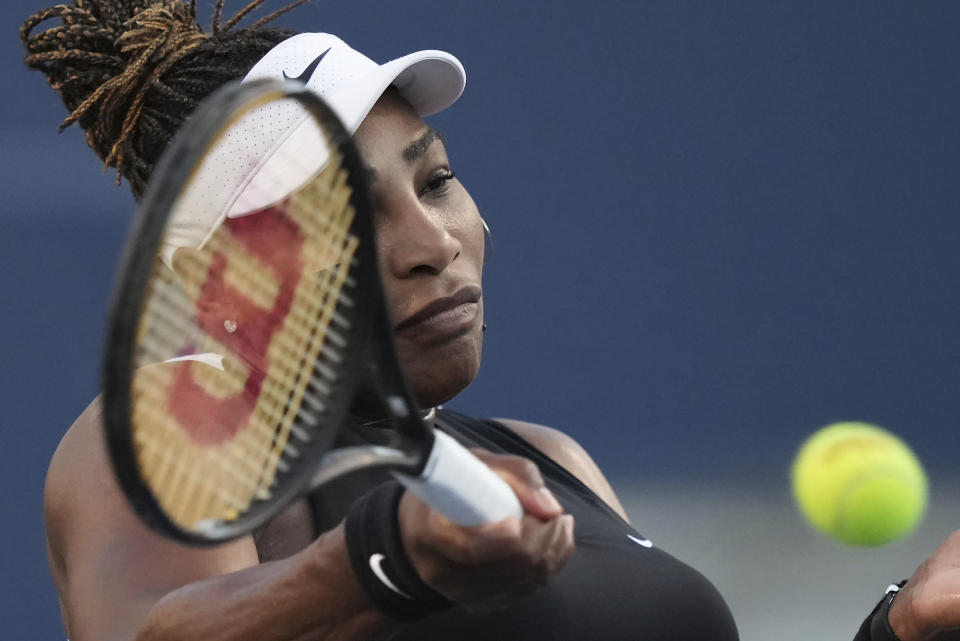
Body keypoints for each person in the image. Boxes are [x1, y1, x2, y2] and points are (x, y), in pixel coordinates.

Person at [20, 2, 960, 640]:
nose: (430, 241)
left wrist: (903, 625)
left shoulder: (547, 456)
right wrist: (383, 559)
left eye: (435, 181)